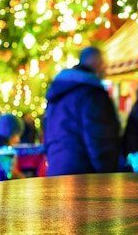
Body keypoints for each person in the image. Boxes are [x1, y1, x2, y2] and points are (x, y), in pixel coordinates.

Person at [44, 46, 121, 176]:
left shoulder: (58, 92)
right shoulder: (91, 92)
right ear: (96, 62)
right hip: (83, 176)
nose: (105, 68)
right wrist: (108, 173)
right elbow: (99, 137)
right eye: (103, 63)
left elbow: (48, 133)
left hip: (56, 170)